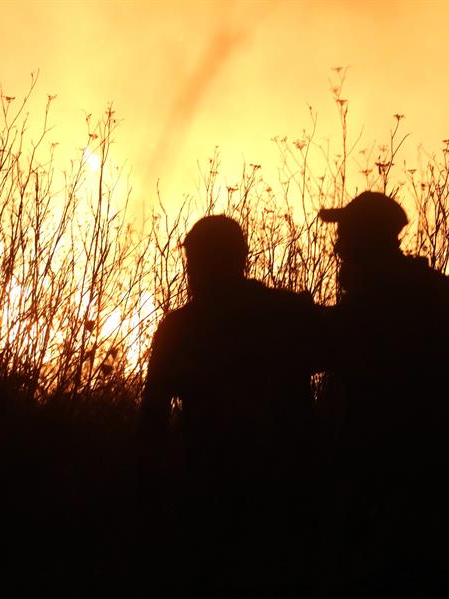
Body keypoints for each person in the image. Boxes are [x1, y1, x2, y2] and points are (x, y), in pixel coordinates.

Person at [138, 215, 322, 595]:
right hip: (285, 500)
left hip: (215, 498)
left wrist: (149, 502)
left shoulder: (181, 328)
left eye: (196, 262)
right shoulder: (288, 313)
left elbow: (151, 422)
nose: (191, 272)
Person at [317, 190, 449, 593]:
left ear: (367, 239)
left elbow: (328, 351)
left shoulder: (373, 303)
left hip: (382, 471)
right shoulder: (440, 291)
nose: (338, 246)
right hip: (439, 465)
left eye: (347, 234)